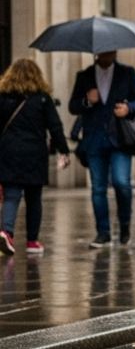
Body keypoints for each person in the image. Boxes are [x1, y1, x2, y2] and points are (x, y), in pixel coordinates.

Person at [69, 50, 135, 248]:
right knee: (98, 188)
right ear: (96, 53)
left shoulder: (127, 73)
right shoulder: (84, 75)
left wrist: (128, 109)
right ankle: (102, 232)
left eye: (111, 51)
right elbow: (73, 106)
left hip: (120, 139)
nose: (107, 54)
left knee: (122, 183)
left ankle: (124, 226)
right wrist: (88, 101)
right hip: (94, 140)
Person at [0, 59, 71, 255]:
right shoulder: (42, 98)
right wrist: (64, 150)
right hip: (34, 153)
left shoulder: (3, 97)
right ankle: (32, 242)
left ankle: (6, 232)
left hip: (8, 152)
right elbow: (55, 127)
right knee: (34, 197)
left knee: (11, 196)